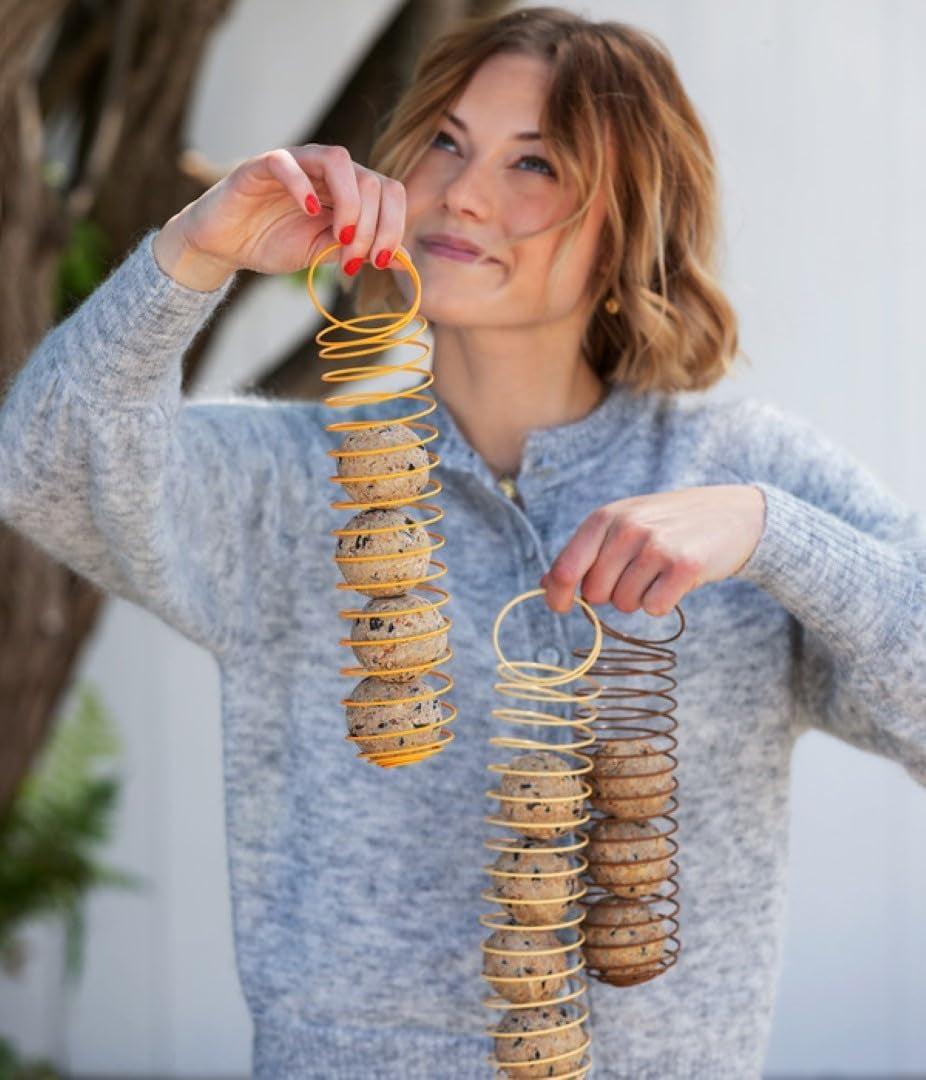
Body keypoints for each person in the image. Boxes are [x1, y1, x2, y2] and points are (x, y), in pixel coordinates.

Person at [1, 6, 923, 1078]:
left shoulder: (741, 477)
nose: (464, 192)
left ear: (630, 222)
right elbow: (40, 466)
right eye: (445, 139)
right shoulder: (297, 485)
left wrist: (775, 534)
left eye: (534, 163)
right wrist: (193, 253)